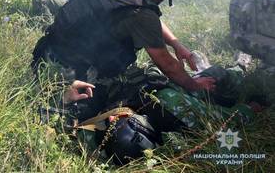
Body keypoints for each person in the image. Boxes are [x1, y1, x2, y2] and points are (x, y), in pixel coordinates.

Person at [32, 0, 215, 92]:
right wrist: (195, 85)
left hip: (46, 53)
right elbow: (168, 66)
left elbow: (150, 19)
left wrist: (177, 45)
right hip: (70, 76)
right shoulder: (140, 14)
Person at [55, 57, 262, 165]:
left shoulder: (100, 132)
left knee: (219, 75)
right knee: (220, 83)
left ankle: (240, 70)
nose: (111, 120)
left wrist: (64, 99)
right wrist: (252, 107)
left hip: (164, 83)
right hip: (174, 97)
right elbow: (232, 120)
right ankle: (242, 70)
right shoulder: (179, 112)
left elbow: (66, 126)